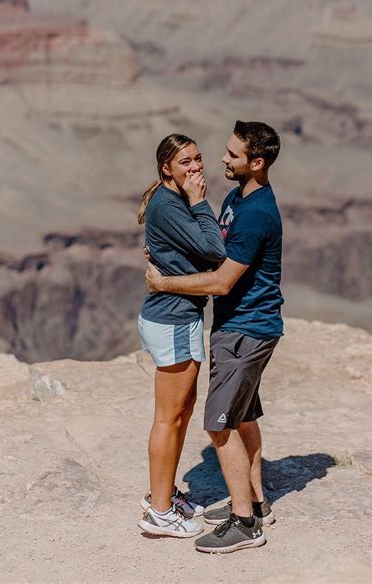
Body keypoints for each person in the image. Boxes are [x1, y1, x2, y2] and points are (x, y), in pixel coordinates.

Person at [146, 120, 283, 554]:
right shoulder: (236, 197)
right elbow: (207, 243)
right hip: (239, 327)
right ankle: (257, 504)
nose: (220, 160)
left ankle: (245, 524)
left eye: (231, 154)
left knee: (218, 426)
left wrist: (164, 282)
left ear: (255, 162)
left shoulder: (257, 212)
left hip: (245, 328)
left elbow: (222, 280)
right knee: (242, 416)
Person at [137, 134, 226, 539]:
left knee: (182, 412)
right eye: (184, 162)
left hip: (179, 317)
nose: (195, 168)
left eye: (198, 159)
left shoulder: (169, 202)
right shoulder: (172, 205)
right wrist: (199, 202)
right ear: (166, 169)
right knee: (168, 417)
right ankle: (158, 512)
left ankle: (165, 494)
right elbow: (214, 250)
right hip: (172, 319)